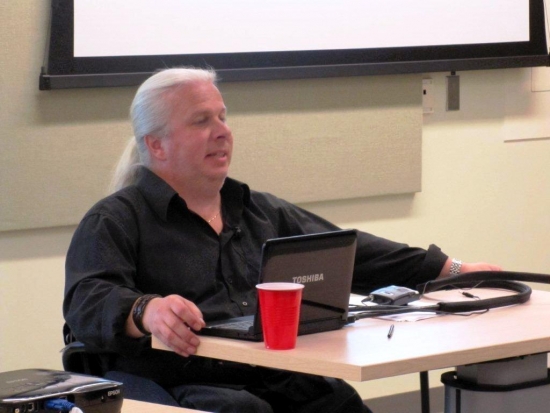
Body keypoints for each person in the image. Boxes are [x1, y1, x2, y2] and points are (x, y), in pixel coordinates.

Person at [63, 67, 501, 413]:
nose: (222, 131)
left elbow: (354, 252)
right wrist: (147, 310)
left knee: (336, 401)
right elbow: (88, 298)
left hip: (270, 373)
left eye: (222, 116)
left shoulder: (259, 210)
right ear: (156, 146)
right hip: (177, 380)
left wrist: (454, 272)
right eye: (201, 121)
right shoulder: (115, 219)